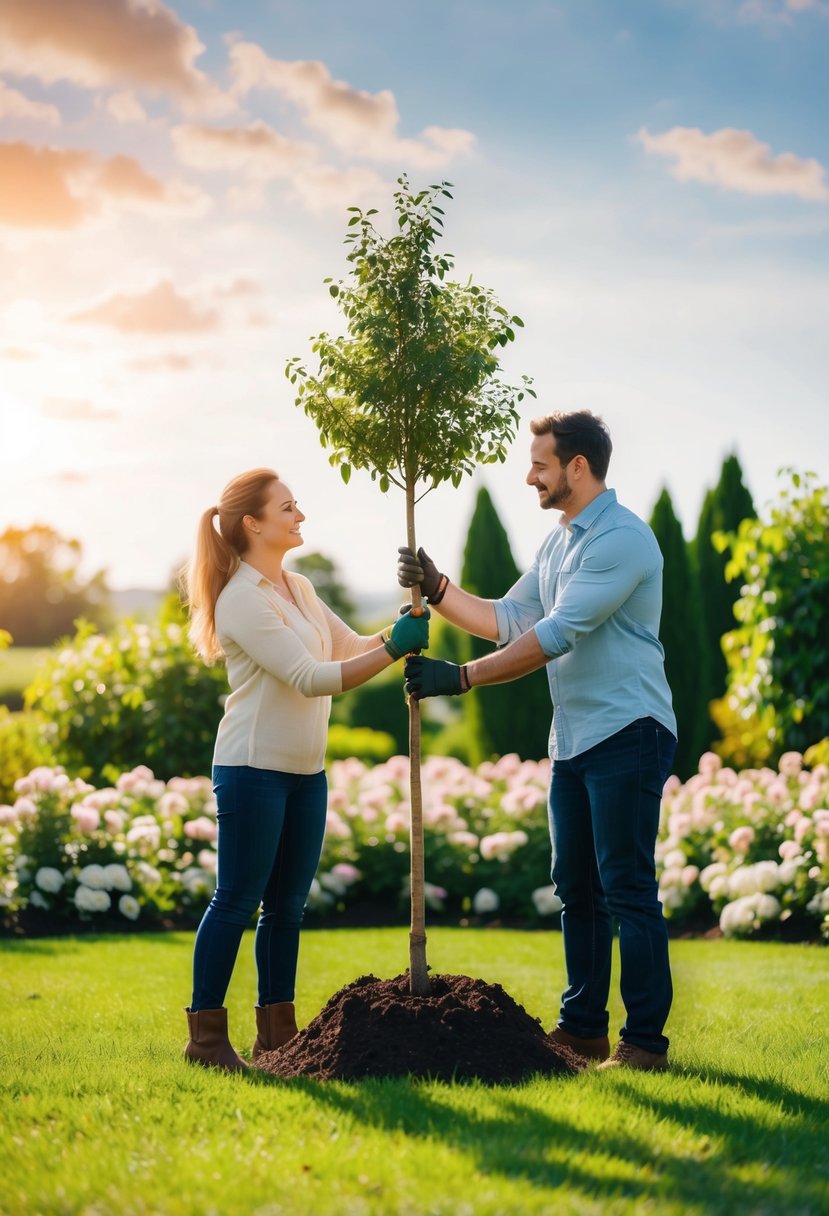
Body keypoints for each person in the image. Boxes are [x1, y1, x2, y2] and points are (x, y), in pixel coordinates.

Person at [398, 411, 678, 1071]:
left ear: (577, 466)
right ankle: (581, 1030)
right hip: (574, 738)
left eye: (540, 465)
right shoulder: (558, 543)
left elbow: (555, 635)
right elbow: (509, 618)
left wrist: (460, 678)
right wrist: (438, 590)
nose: (530, 476)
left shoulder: (621, 540)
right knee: (575, 887)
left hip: (627, 729)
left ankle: (643, 1044)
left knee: (625, 886)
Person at [182, 467, 429, 1072]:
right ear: (253, 523)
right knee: (237, 900)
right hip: (251, 768)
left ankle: (277, 1038)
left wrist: (400, 625)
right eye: (288, 508)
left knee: (287, 907)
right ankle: (207, 1041)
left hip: (304, 772)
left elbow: (344, 647)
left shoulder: (299, 588)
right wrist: (394, 648)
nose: (300, 516)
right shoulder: (241, 597)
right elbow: (310, 677)